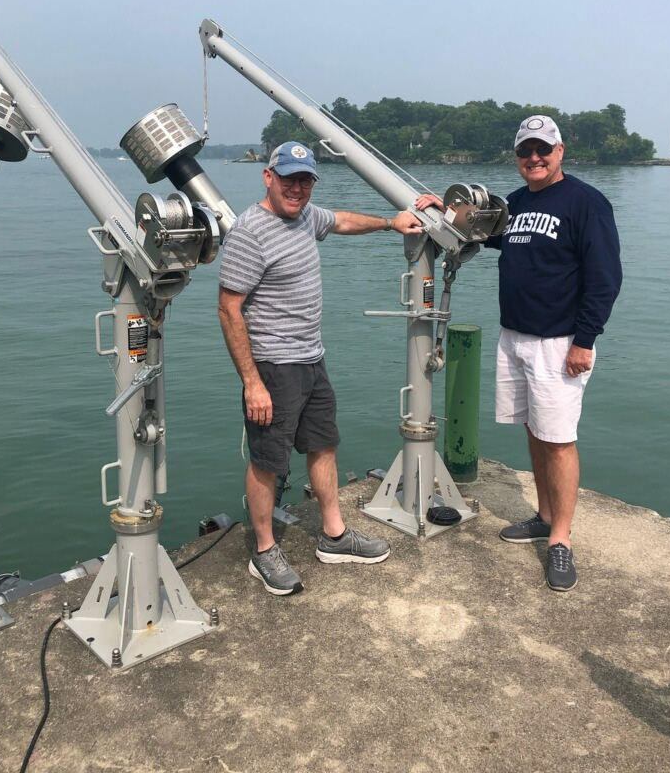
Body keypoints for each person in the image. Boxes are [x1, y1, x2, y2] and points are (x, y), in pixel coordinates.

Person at [416, 115, 621, 592]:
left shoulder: (587, 203)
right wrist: (445, 210)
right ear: (517, 156)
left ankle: (561, 542)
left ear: (560, 151)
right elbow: (486, 234)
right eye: (526, 151)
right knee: (534, 428)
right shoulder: (518, 204)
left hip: (560, 342)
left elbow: (605, 277)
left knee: (559, 439)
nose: (534, 158)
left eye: (542, 150)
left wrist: (585, 340)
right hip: (516, 336)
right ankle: (544, 516)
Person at [218, 141, 426, 596]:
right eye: (289, 178)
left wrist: (392, 223)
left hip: (312, 357)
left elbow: (342, 220)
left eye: (306, 180)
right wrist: (252, 383)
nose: (298, 188)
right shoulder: (249, 231)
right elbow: (229, 309)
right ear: (268, 176)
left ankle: (333, 536)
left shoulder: (306, 216)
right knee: (267, 461)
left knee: (323, 445)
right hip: (273, 365)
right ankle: (265, 549)